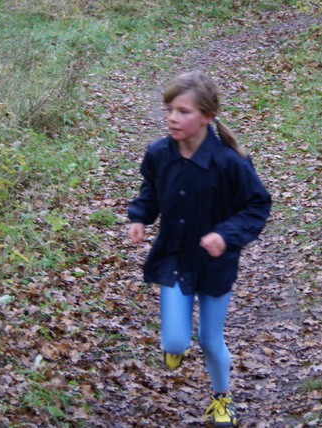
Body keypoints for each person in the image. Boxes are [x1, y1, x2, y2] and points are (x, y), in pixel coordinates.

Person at [127, 70, 271, 427]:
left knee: (209, 338)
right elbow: (151, 190)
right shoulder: (159, 153)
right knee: (175, 341)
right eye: (169, 109)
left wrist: (226, 234)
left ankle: (222, 398)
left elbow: (257, 205)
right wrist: (140, 217)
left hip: (214, 264)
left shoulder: (229, 161)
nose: (172, 118)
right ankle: (174, 350)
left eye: (183, 111)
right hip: (174, 256)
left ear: (207, 116)